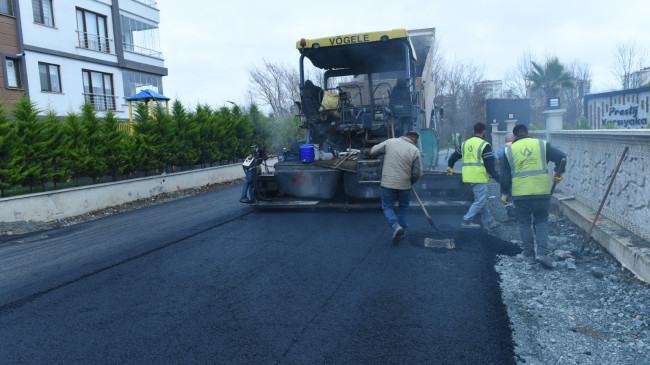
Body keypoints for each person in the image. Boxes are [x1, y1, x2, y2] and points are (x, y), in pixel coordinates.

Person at [500, 124, 566, 269]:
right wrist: (558, 173)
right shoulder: (542, 145)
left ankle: (529, 255)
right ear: (528, 133)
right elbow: (562, 157)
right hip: (542, 192)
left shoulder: (509, 150)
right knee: (541, 221)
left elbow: (504, 176)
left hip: (520, 194)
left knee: (524, 223)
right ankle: (542, 253)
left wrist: (504, 193)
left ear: (514, 136)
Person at [368, 131, 423, 244]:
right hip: (404, 185)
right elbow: (417, 173)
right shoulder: (415, 151)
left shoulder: (390, 142)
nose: (416, 144)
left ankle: (396, 226)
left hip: (388, 184)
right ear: (413, 138)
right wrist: (410, 182)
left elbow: (373, 151)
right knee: (403, 207)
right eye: (416, 141)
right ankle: (402, 228)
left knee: (387, 206)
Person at [446, 122, 501, 229]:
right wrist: (499, 179)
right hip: (478, 178)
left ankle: (490, 221)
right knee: (480, 201)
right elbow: (490, 167)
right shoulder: (484, 145)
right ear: (484, 131)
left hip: (468, 178)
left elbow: (453, 156)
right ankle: (466, 220)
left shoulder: (465, 144)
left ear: (473, 131)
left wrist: (450, 167)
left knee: (481, 200)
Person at [497, 133, 517, 221]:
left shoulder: (506, 147)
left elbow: (498, 156)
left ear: (506, 140)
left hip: (508, 174)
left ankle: (511, 215)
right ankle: (518, 214)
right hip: (518, 175)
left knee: (506, 195)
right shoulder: (517, 146)